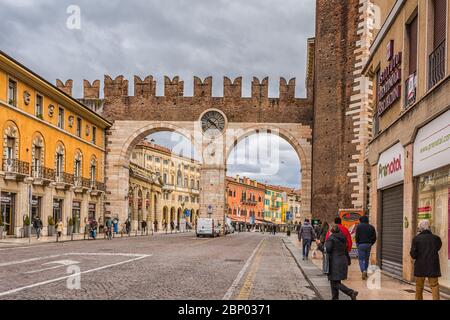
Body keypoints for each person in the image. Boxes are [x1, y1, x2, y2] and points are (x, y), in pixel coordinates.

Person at [410, 220, 442, 300]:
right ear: (429, 228)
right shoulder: (436, 238)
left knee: (419, 287)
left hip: (420, 266)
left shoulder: (416, 239)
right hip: (433, 266)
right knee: (434, 286)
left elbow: (413, 255)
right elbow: (438, 248)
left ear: (420, 228)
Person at [325, 224, 359, 300]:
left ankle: (351, 292)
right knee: (335, 280)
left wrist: (320, 244)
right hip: (342, 260)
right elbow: (346, 250)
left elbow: (327, 250)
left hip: (335, 262)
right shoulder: (343, 238)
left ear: (331, 231)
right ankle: (335, 298)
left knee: (335, 282)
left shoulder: (331, 238)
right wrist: (348, 260)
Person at [355, 215, 377, 280]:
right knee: (367, 259)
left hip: (361, 245)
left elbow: (357, 236)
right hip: (368, 244)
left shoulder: (359, 226)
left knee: (361, 259)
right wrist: (371, 243)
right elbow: (374, 237)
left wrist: (357, 243)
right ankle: (366, 272)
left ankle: (363, 270)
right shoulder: (371, 227)